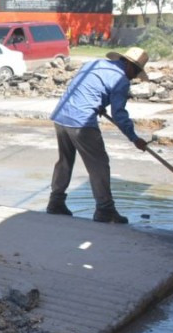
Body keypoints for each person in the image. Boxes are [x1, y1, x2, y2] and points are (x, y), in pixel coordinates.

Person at [48, 46, 150, 224]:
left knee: (65, 161)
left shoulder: (94, 63)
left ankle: (56, 202)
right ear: (129, 65)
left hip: (61, 116)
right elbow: (119, 114)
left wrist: (99, 103)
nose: (134, 77)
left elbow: (85, 88)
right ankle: (105, 210)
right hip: (82, 122)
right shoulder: (121, 80)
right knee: (99, 165)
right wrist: (134, 138)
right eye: (136, 72)